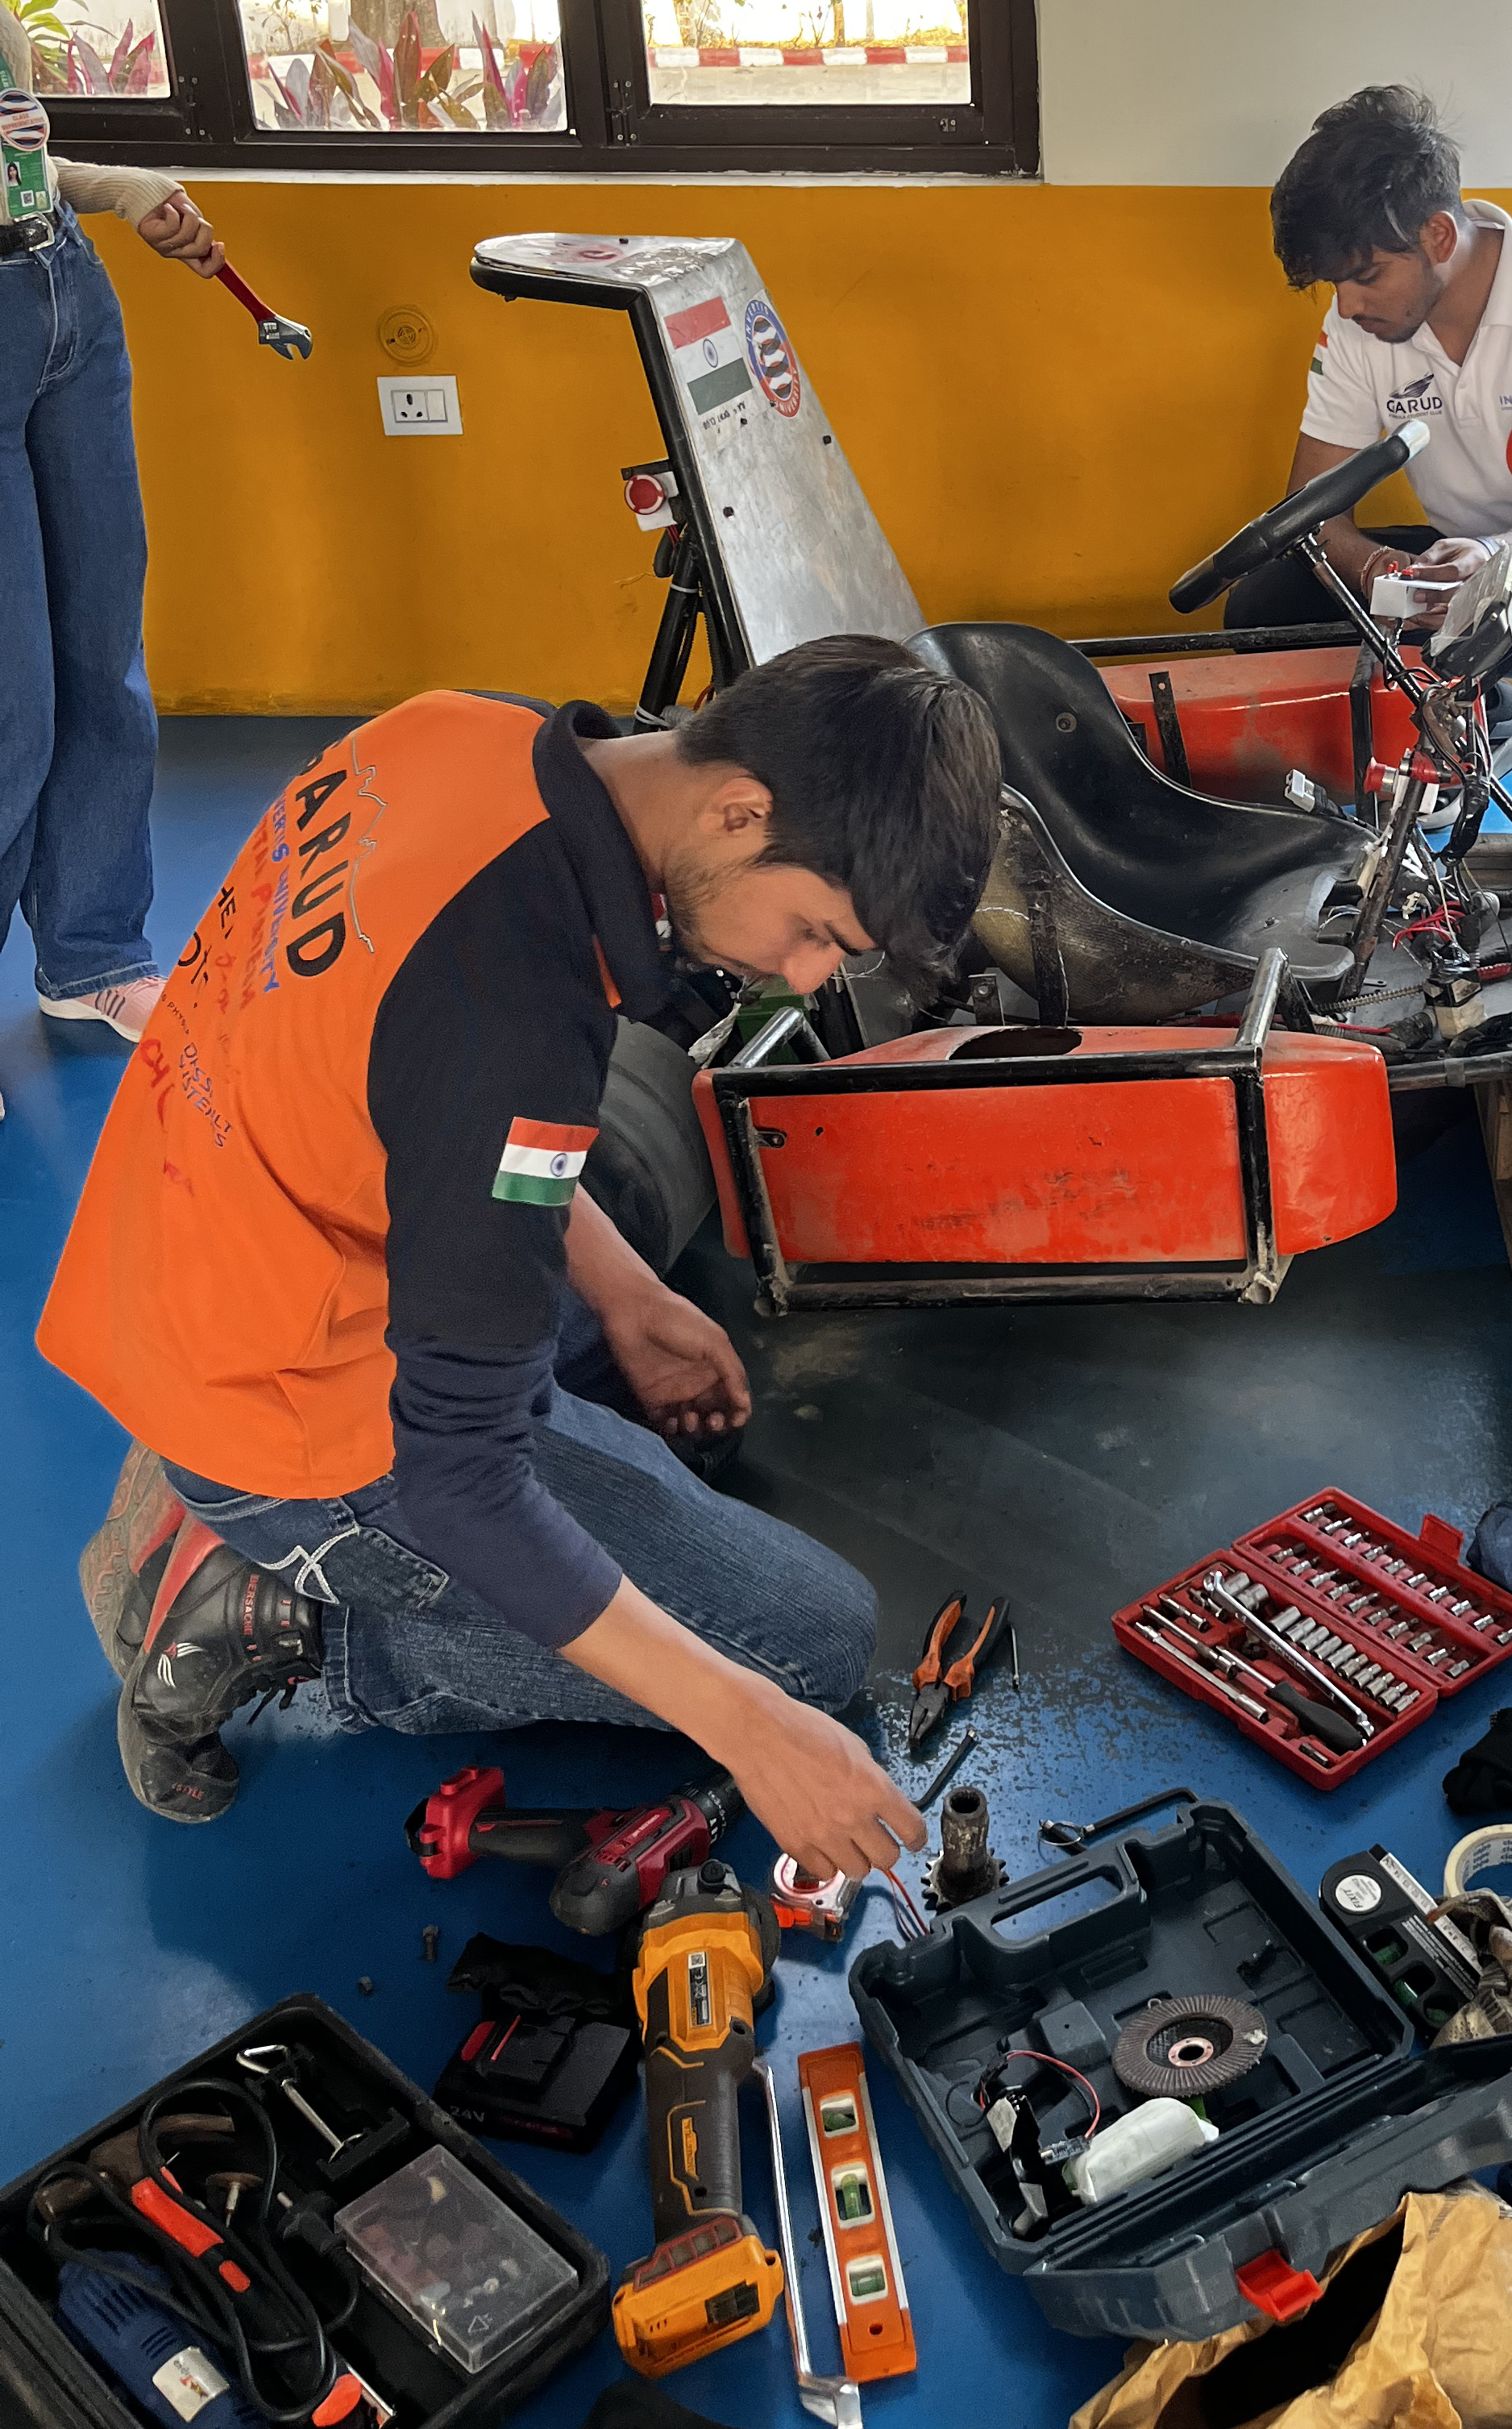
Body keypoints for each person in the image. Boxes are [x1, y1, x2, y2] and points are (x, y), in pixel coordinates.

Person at [44, 636, 1000, 1894]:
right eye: (816, 930)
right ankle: (279, 1616)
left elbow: (443, 1104)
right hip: (288, 1409)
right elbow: (460, 1480)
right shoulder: (512, 1009)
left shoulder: (470, 729)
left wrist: (626, 1294)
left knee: (630, 1249)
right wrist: (754, 1731)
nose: (806, 972)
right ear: (739, 810)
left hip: (197, 1253)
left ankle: (256, 1499)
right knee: (808, 1648)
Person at [1, 0, 231, 1116]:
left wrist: (121, 188)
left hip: (58, 295)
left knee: (101, 659)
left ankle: (91, 952)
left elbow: (10, 147)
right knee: (8, 700)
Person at [1226, 81, 1512, 676]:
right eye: (1335, 283)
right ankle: (1470, 712)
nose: (1346, 306)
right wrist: (1379, 570)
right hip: (1465, 554)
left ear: (1439, 236)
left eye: (1367, 276)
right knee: (1265, 606)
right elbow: (1312, 512)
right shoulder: (1355, 323)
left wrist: (1493, 558)